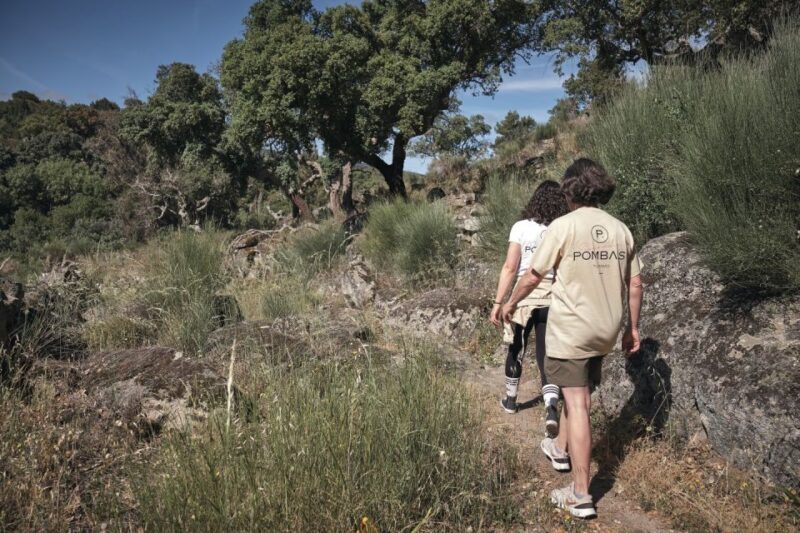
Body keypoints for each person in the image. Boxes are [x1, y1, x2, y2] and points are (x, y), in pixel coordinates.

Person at [501, 158, 644, 519]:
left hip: (572, 329)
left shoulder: (562, 227)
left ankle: (580, 494)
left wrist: (509, 302)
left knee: (578, 403)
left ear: (570, 189)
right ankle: (559, 447)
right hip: (606, 329)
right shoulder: (620, 229)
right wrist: (633, 329)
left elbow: (533, 275)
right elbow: (636, 282)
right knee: (576, 391)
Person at [489, 180, 569, 437]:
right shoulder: (564, 227)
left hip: (523, 297)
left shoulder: (521, 228)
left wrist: (499, 302)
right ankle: (551, 409)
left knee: (516, 347)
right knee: (547, 353)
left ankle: (511, 400)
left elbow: (510, 268)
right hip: (553, 297)